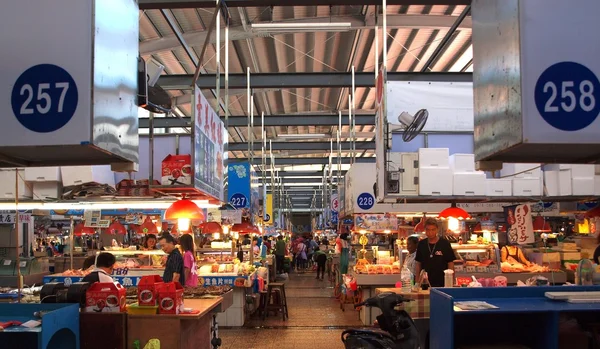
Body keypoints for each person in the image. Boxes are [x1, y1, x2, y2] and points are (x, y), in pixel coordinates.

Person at [415, 218, 455, 287]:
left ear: (437, 229)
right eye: (428, 230)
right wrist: (417, 282)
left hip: (442, 282)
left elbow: (450, 263)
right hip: (425, 283)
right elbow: (418, 264)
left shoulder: (445, 244)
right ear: (425, 230)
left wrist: (451, 281)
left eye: (433, 230)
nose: (430, 232)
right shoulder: (421, 244)